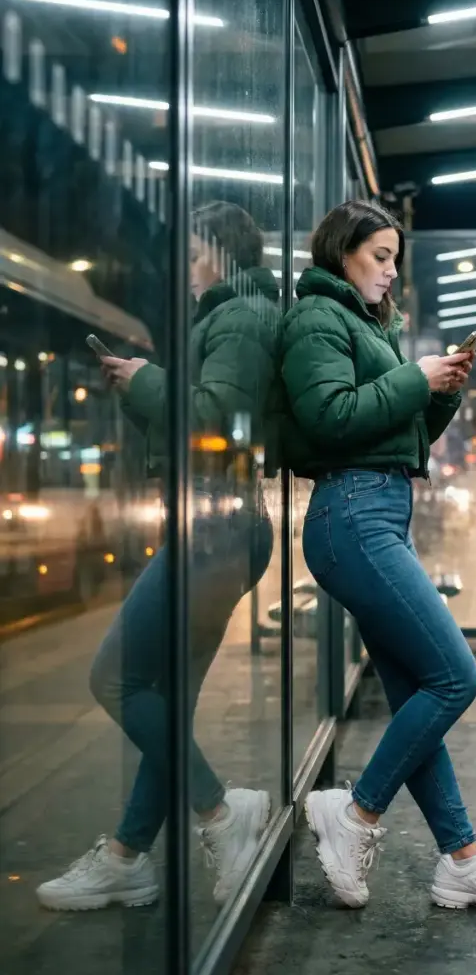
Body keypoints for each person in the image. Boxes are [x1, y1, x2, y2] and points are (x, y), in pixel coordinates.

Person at [281, 200, 476, 915]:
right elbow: (327, 417)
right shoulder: (317, 318)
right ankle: (358, 813)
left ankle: (461, 859)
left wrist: (438, 394)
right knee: (454, 678)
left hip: (377, 515)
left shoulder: (371, 327)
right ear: (340, 253)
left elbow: (391, 429)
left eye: (394, 257)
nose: (389, 269)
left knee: (416, 695)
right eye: (377, 255)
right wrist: (412, 379)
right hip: (351, 517)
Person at [37, 202, 279, 911]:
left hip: (217, 524)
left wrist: (146, 380)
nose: (182, 263)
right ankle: (126, 857)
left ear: (217, 251)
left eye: (191, 248)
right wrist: (141, 382)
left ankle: (219, 813)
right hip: (220, 522)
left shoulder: (235, 317)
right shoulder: (236, 315)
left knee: (114, 680)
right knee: (163, 703)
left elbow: (217, 419)